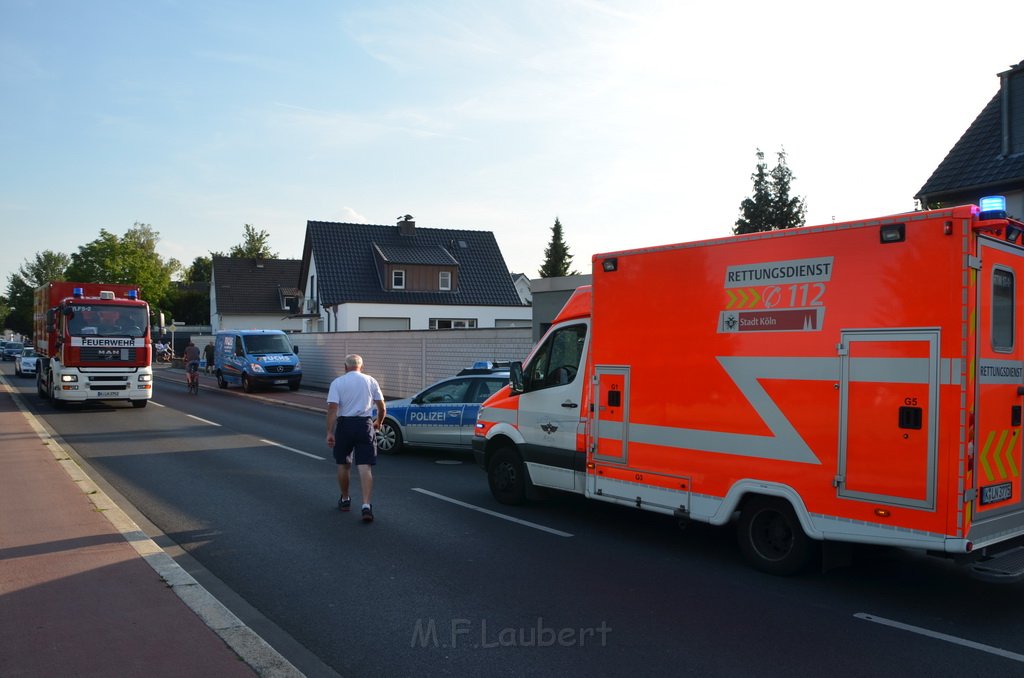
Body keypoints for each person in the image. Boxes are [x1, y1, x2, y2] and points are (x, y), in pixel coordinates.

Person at [326, 354, 385, 522]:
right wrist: (378, 422)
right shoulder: (371, 381)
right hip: (365, 425)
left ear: (345, 367)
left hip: (345, 425)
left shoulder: (337, 383)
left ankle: (345, 500)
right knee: (365, 467)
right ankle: (366, 506)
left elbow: (332, 409)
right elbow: (381, 407)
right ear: (362, 367)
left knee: (344, 465)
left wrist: (330, 432)